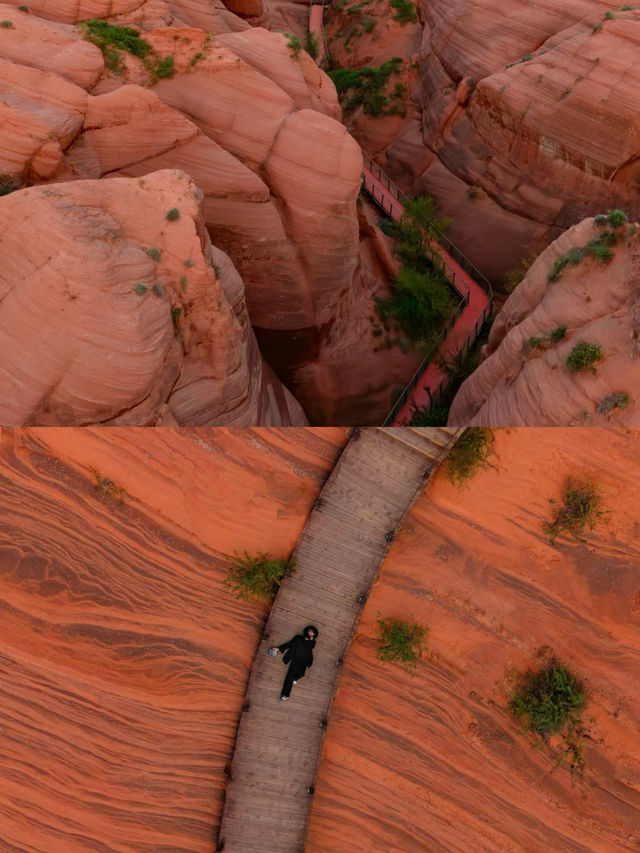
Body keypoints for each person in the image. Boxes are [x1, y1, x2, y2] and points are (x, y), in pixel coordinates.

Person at [270, 625, 319, 702]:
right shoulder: (298, 638)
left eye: (312, 632)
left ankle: (295, 679)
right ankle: (285, 695)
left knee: (301, 674)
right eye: (309, 631)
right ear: (306, 631)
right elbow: (289, 644)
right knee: (289, 678)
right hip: (295, 659)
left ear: (314, 634)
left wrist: (311, 638)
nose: (310, 632)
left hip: (304, 661)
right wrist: (278, 648)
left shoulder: (312, 643)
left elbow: (311, 646)